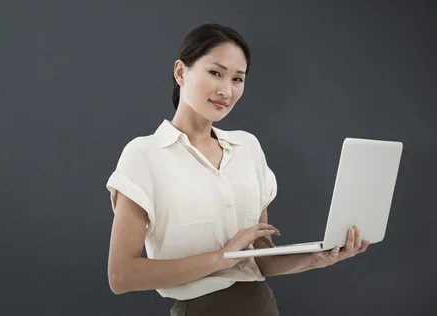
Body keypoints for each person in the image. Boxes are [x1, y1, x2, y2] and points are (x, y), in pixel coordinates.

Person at [105, 23, 370, 316]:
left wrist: (319, 258)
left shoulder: (248, 148)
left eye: (237, 79)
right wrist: (221, 257)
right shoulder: (144, 155)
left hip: (262, 306)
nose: (226, 90)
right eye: (215, 73)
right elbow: (121, 276)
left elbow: (260, 260)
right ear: (181, 72)